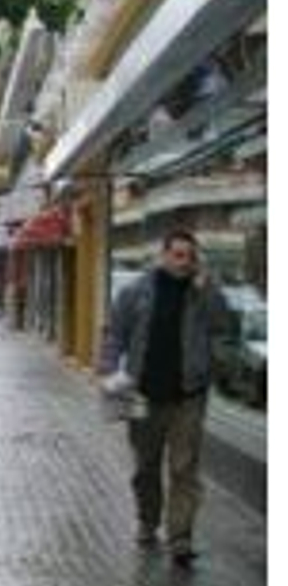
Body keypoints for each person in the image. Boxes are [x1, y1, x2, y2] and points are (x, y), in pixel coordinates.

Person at [99, 229, 232, 567]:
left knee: (184, 468)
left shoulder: (202, 293)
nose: (184, 262)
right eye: (178, 255)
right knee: (146, 467)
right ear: (163, 255)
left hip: (189, 395)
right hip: (143, 394)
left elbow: (224, 325)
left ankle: (180, 539)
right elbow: (115, 334)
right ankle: (148, 521)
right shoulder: (136, 292)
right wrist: (109, 370)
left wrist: (208, 290)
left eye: (190, 256)